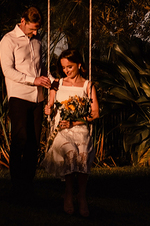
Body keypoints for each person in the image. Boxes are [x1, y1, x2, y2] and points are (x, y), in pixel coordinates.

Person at [0, 6, 53, 196]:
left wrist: (52, 82)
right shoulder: (8, 40)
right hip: (19, 96)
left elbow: (41, 68)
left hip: (37, 98)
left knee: (34, 142)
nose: (36, 32)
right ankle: (17, 185)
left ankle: (28, 184)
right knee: (20, 140)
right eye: (32, 28)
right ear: (23, 21)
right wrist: (33, 80)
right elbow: (8, 71)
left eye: (37, 28)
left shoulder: (37, 41)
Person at [42, 48, 99, 217]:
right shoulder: (57, 84)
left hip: (80, 128)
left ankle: (81, 196)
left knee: (82, 155)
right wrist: (48, 110)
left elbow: (95, 113)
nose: (66, 71)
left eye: (70, 67)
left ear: (79, 65)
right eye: (64, 68)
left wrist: (75, 121)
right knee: (71, 152)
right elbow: (50, 106)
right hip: (61, 130)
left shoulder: (88, 85)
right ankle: (68, 192)